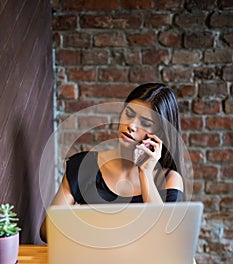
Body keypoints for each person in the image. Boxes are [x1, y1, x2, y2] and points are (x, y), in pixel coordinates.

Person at [40, 82, 184, 242]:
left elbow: (166, 240)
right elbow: (47, 232)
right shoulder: (85, 165)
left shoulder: (170, 179)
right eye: (129, 114)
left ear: (159, 135)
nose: (131, 125)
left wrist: (146, 172)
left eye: (145, 123)